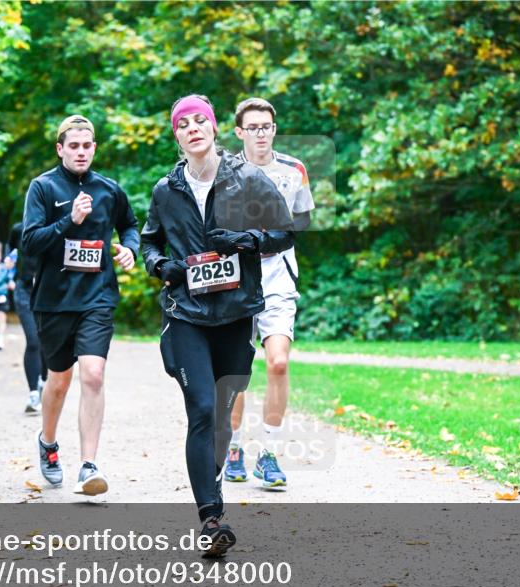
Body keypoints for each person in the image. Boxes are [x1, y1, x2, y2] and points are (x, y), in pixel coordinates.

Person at [140, 94, 294, 557]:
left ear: (213, 128)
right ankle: (211, 518)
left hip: (234, 313)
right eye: (183, 123)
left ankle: (215, 493)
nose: (192, 128)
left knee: (223, 418)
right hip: (185, 314)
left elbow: (285, 232)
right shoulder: (166, 190)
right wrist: (160, 266)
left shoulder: (248, 178)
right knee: (203, 410)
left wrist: (247, 240)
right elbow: (150, 242)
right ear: (177, 135)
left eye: (199, 120)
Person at [21, 114, 139, 495]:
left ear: (94, 148)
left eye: (87, 146)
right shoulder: (43, 188)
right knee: (58, 381)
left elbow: (131, 225)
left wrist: (131, 249)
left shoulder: (109, 190)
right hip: (54, 301)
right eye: (73, 146)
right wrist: (68, 221)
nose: (81, 152)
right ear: (60, 149)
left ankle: (89, 466)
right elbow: (30, 243)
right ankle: (48, 443)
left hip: (97, 298)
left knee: (93, 374)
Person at [224, 97, 315, 490]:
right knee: (236, 370)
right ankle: (233, 448)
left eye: (267, 127)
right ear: (239, 132)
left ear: (274, 130)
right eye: (253, 127)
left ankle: (269, 454)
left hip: (278, 277)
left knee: (277, 363)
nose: (261, 133)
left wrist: (274, 231)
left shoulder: (294, 169)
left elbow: (303, 219)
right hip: (235, 279)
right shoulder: (224, 171)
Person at [7, 222, 48, 414]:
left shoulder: (56, 226)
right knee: (33, 340)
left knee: (47, 342)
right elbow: (9, 248)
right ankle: (33, 394)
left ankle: (43, 382)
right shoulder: (19, 229)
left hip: (48, 292)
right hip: (25, 291)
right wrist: (9, 263)